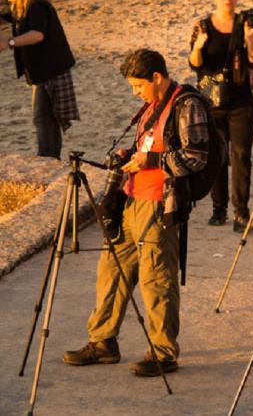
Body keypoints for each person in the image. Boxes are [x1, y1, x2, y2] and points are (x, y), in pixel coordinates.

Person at [63, 49, 209, 377]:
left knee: (156, 278)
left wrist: (152, 162)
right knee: (111, 269)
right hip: (131, 199)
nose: (135, 92)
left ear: (157, 77)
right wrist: (130, 155)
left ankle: (163, 353)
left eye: (138, 85)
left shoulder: (187, 105)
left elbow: (196, 156)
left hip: (159, 203)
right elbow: (148, 148)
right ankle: (103, 342)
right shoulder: (152, 105)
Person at [188, 0, 253, 233]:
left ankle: (241, 213)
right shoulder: (203, 26)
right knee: (218, 156)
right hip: (212, 102)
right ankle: (218, 209)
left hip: (242, 101)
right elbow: (195, 64)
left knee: (241, 156)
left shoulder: (247, 23)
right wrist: (198, 46)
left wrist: (251, 39)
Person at [0, 0, 78, 159]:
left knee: (42, 118)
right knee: (49, 119)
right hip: (43, 71)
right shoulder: (22, 8)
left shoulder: (37, 6)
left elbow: (37, 34)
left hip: (50, 71)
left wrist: (10, 42)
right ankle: (52, 158)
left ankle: (47, 158)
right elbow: (3, 17)